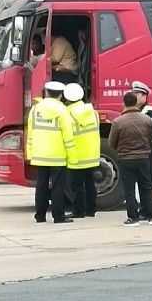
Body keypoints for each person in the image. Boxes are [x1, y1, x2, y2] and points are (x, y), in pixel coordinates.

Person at [26, 81, 78, 223]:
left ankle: (40, 216)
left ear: (46, 92)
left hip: (39, 154)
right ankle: (58, 216)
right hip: (57, 156)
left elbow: (30, 134)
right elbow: (68, 136)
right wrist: (72, 157)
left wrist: (29, 153)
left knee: (41, 185)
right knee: (57, 187)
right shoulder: (62, 111)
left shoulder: (35, 109)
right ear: (60, 95)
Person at [108, 91, 152, 226]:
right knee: (146, 187)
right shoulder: (147, 120)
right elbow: (151, 139)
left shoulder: (117, 122)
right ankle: (151, 217)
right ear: (136, 103)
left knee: (129, 189)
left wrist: (121, 151)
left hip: (126, 159)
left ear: (124, 103)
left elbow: (112, 142)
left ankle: (133, 218)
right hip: (144, 158)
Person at [63, 83, 100, 218]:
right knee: (90, 183)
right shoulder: (93, 112)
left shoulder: (68, 114)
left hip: (77, 154)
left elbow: (66, 134)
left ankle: (79, 211)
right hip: (92, 153)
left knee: (77, 184)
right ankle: (91, 209)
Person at [131, 80, 152, 200]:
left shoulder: (148, 111)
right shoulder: (136, 110)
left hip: (148, 146)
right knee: (141, 180)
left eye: (137, 95)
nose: (135, 97)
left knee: (147, 181)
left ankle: (147, 208)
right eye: (134, 94)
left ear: (144, 96)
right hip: (139, 147)